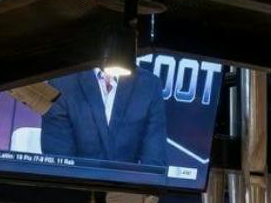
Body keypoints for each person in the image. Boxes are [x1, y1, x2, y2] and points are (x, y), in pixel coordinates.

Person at [37, 66, 171, 166]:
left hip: (127, 196)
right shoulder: (62, 83)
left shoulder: (149, 86)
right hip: (76, 194)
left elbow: (155, 162)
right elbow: (58, 162)